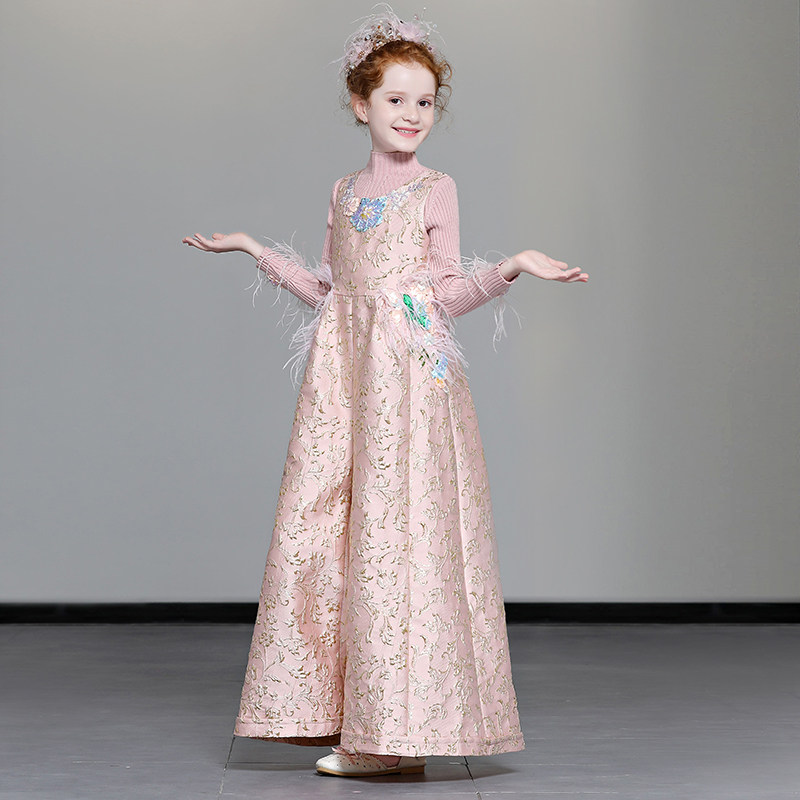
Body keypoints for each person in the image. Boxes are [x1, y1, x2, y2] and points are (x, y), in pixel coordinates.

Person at [182, 4, 588, 779]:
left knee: (400, 542)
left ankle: (392, 735)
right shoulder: (343, 192)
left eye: (425, 101)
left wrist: (512, 267)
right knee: (331, 536)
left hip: (409, 387)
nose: (412, 114)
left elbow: (443, 296)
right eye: (396, 98)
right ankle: (358, 723)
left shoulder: (436, 189)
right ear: (360, 103)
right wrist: (254, 249)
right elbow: (331, 294)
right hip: (344, 388)